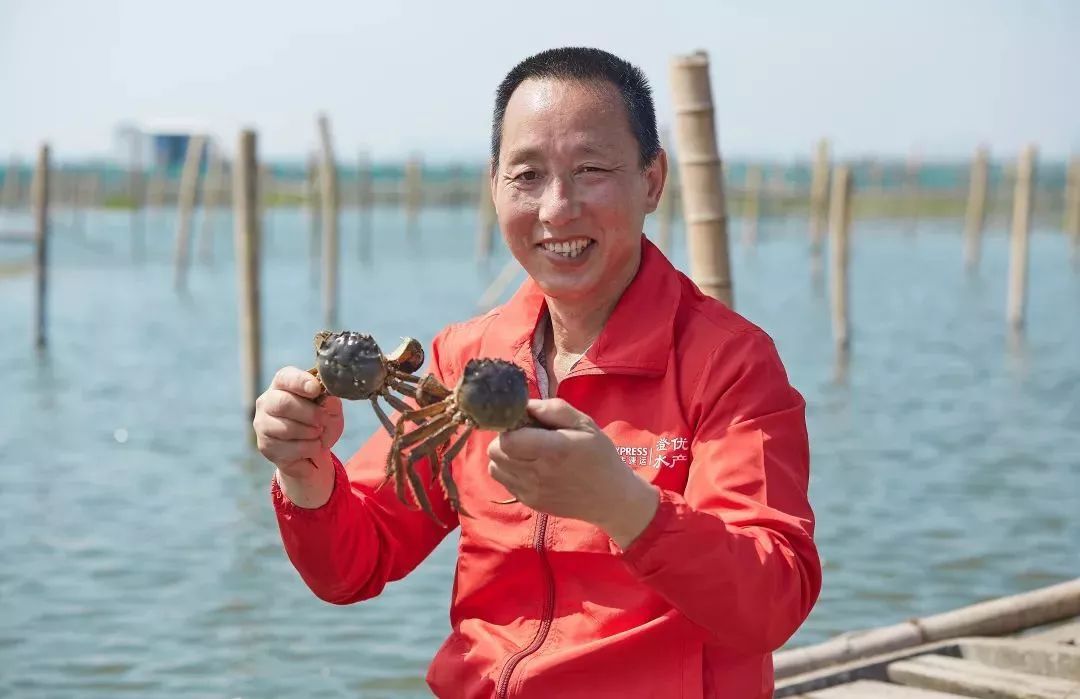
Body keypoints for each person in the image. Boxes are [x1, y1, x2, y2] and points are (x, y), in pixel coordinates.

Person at [255, 47, 820, 698]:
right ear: (494, 186)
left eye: (590, 170)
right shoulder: (467, 361)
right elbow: (354, 564)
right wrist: (306, 473)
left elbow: (772, 601)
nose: (557, 208)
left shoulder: (728, 365)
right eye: (527, 175)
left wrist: (624, 505)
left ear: (653, 180)